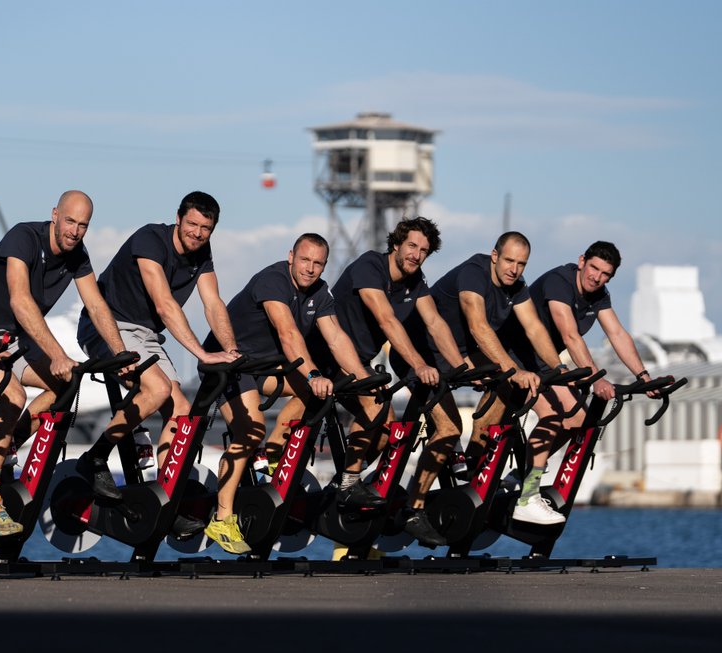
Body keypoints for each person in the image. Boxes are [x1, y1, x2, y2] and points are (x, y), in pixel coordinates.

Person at [0, 190, 129, 534]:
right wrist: (57, 354)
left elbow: (97, 305)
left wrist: (119, 352)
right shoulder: (24, 237)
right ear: (55, 215)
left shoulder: (77, 255)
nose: (74, 231)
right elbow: (20, 301)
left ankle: (6, 445)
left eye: (82, 226)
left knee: (64, 387)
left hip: (10, 339)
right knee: (14, 397)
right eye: (69, 221)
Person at [277, 217, 466, 547]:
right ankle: (339, 483)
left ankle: (343, 485)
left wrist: (461, 367)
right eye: (411, 246)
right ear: (396, 244)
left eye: (423, 250)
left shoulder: (416, 281)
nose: (416, 255)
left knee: (388, 430)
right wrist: (419, 364)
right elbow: (386, 319)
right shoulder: (370, 266)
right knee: (369, 407)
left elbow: (434, 322)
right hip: (325, 357)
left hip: (357, 364)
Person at [201, 233, 371, 554]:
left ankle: (275, 456)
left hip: (264, 367)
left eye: (318, 263)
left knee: (317, 395)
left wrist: (362, 377)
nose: (310, 268)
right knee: (251, 432)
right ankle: (222, 517)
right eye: (304, 260)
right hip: (227, 364)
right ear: (290, 256)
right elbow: (288, 333)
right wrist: (314, 373)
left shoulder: (320, 292)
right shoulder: (273, 280)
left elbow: (335, 337)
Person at [75, 191, 240, 491]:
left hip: (146, 336)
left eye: (206, 228)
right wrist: (203, 354)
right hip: (108, 326)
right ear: (177, 218)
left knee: (182, 412)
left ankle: (165, 495)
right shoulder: (150, 239)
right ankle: (94, 458)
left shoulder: (202, 252)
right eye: (192, 224)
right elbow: (164, 304)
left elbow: (214, 303)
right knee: (160, 388)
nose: (198, 233)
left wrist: (231, 350)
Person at [501, 241, 670, 524]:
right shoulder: (559, 281)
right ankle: (528, 496)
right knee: (553, 416)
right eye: (593, 268)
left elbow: (617, 334)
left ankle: (521, 476)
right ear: (582, 261)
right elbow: (570, 335)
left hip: (544, 363)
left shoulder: (599, 295)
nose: (597, 277)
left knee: (578, 419)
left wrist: (644, 376)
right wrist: (595, 379)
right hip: (513, 358)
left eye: (605, 274)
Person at [427, 231, 566, 485]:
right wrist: (516, 370)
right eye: (509, 261)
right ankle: (416, 503)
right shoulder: (473, 273)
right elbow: (478, 327)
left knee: (503, 383)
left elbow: (534, 327)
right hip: (429, 350)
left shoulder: (518, 286)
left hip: (464, 353)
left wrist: (560, 367)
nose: (514, 269)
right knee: (450, 427)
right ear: (494, 256)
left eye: (521, 264)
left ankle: (475, 462)